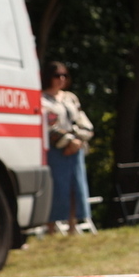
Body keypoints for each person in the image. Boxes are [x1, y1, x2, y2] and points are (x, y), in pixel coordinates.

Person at [42, 62, 94, 233]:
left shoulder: (70, 97)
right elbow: (48, 126)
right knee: (57, 188)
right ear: (48, 76)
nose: (61, 79)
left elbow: (82, 120)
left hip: (75, 150)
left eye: (65, 75)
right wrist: (68, 141)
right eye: (57, 75)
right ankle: (51, 227)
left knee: (75, 187)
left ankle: (72, 226)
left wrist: (79, 139)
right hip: (56, 151)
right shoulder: (41, 99)